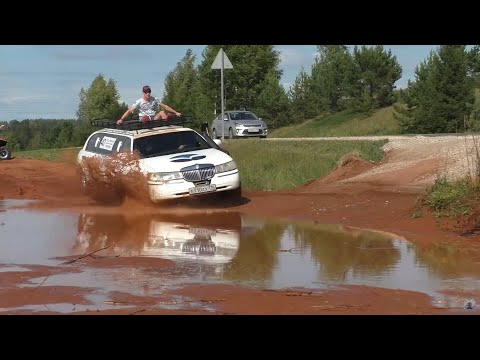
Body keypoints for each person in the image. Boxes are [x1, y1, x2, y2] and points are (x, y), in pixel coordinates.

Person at [117, 85, 181, 125]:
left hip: (153, 117)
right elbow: (129, 110)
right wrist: (121, 119)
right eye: (146, 92)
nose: (148, 94)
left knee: (161, 112)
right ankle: (149, 122)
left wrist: (176, 112)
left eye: (149, 92)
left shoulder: (154, 99)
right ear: (143, 93)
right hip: (144, 118)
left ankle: (167, 121)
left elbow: (165, 106)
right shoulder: (139, 101)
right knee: (145, 117)